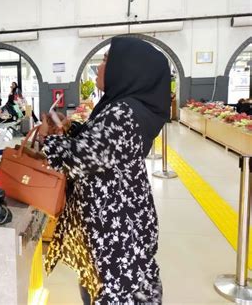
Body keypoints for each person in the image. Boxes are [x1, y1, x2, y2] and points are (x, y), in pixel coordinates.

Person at [40, 36, 169, 303]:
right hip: (113, 228)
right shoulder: (125, 107)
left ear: (126, 67)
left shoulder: (124, 112)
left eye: (107, 59)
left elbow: (83, 157)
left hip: (113, 234)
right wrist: (71, 129)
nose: (100, 66)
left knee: (110, 292)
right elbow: (103, 147)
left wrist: (47, 140)